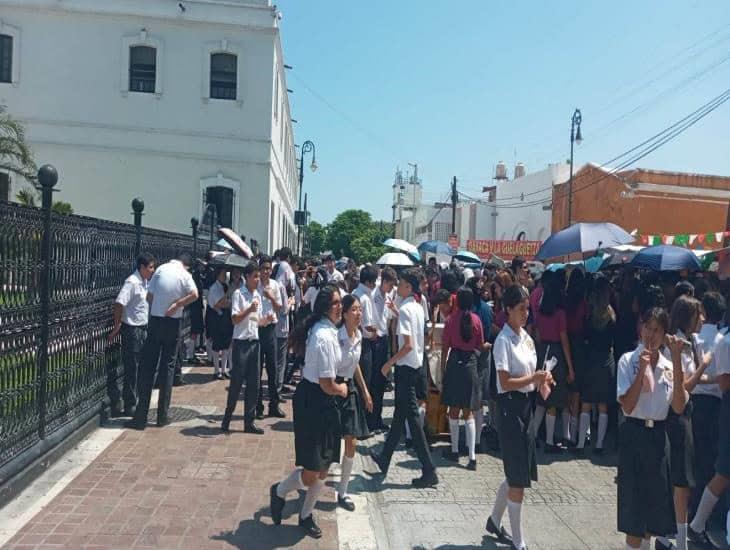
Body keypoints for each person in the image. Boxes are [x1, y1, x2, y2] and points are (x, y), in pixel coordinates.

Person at [269, 285, 348, 538]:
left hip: (324, 402)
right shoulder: (324, 335)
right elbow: (327, 383)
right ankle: (280, 490)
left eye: (340, 302)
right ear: (326, 307)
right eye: (336, 303)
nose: (340, 307)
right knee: (312, 469)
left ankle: (305, 514)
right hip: (314, 401)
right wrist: (342, 389)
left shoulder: (330, 331)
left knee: (324, 467)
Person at [616, 308, 688, 550]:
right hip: (634, 434)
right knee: (634, 516)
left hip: (658, 437)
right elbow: (626, 406)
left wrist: (676, 360)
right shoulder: (628, 360)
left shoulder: (669, 366)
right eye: (647, 327)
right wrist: (642, 372)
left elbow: (678, 406)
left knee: (652, 517)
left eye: (657, 330)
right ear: (640, 328)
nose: (651, 334)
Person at [486, 284, 551, 550]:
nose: (526, 314)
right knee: (517, 476)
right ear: (508, 310)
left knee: (518, 468)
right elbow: (504, 382)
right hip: (509, 407)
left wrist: (543, 379)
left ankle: (494, 519)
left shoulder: (526, 338)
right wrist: (532, 378)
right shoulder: (503, 341)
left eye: (528, 309)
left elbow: (530, 375)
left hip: (526, 405)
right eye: (521, 309)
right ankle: (518, 540)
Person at [372, 268, 438, 488]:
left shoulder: (409, 310)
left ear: (409, 287)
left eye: (400, 284)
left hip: (406, 369)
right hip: (415, 367)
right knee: (401, 415)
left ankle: (428, 469)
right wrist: (396, 311)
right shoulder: (416, 307)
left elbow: (408, 344)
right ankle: (384, 458)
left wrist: (389, 363)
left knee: (412, 420)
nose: (397, 287)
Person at [126, 253, 198, 430]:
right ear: (186, 265)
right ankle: (162, 416)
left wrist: (160, 304)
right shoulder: (185, 274)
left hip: (156, 321)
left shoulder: (159, 270)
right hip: (173, 322)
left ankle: (141, 416)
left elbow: (149, 297)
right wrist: (177, 304)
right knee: (168, 367)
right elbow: (194, 294)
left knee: (148, 367)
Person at [656, 296, 702, 550]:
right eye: (699, 315)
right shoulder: (678, 346)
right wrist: (702, 368)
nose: (703, 319)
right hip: (677, 415)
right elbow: (681, 389)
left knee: (681, 481)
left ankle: (667, 537)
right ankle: (679, 542)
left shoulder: (688, 343)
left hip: (683, 413)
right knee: (681, 482)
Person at [688, 297, 730, 547]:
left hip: (706, 403)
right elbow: (724, 383)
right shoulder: (723, 340)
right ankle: (697, 522)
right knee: (720, 468)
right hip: (717, 405)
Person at [441, 287, 487, 470]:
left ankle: (453, 451)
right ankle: (472, 456)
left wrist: (443, 369)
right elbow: (481, 345)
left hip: (454, 363)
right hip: (471, 364)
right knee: (469, 411)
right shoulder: (476, 320)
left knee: (453, 409)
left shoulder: (451, 320)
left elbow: (445, 347)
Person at [335, 294, 373, 511]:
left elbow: (355, 364)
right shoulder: (336, 336)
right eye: (355, 310)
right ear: (345, 314)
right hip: (332, 388)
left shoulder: (359, 335)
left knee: (352, 442)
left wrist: (365, 390)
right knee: (329, 444)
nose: (359, 314)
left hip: (349, 390)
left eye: (360, 309)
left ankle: (343, 490)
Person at [108, 252, 156, 417]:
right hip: (132, 330)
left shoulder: (144, 282)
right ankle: (130, 403)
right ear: (142, 267)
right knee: (132, 368)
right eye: (150, 267)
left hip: (142, 329)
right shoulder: (132, 282)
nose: (152, 270)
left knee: (141, 367)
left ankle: (136, 400)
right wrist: (117, 324)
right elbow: (120, 302)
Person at [531, 275, 575, 453]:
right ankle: (549, 442)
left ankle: (532, 435)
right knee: (553, 400)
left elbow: (537, 334)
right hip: (556, 354)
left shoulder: (540, 313)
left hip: (542, 352)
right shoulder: (560, 314)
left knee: (542, 399)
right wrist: (570, 367)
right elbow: (564, 339)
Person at [222, 262, 265, 434]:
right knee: (237, 383)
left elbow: (258, 320)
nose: (257, 280)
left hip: (255, 342)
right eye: (254, 276)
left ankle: (249, 421)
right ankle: (227, 418)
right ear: (246, 277)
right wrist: (248, 309)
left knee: (254, 384)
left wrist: (267, 320)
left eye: (258, 277)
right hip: (241, 344)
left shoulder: (258, 295)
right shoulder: (239, 294)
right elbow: (235, 319)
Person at [575, 274, 614, 455]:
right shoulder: (612, 317)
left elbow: (584, 338)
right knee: (603, 405)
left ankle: (581, 444)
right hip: (606, 360)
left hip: (591, 360)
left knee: (586, 403)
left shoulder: (589, 316)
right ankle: (599, 445)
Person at [256, 256, 284, 419]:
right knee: (257, 370)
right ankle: (258, 407)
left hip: (271, 329)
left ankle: (274, 405)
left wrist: (271, 296)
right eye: (264, 268)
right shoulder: (254, 284)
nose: (266, 271)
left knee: (272, 369)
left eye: (268, 269)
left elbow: (279, 308)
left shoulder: (275, 285)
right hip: (258, 329)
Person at [370, 266, 397, 432]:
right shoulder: (373, 295)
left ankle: (378, 419)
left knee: (381, 382)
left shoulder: (387, 296)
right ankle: (372, 419)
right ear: (384, 281)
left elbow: (390, 317)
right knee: (374, 381)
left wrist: (393, 308)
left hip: (384, 339)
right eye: (390, 284)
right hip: (375, 340)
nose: (391, 288)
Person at [352, 265, 378, 429]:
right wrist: (374, 333)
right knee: (364, 382)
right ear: (369, 281)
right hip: (365, 343)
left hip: (358, 340)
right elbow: (366, 325)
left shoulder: (356, 293)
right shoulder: (364, 297)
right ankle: (362, 424)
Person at [564, 268, 588, 446]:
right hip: (580, 344)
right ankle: (574, 433)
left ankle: (566, 432)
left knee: (567, 388)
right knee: (577, 391)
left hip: (565, 341)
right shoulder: (584, 303)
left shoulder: (565, 301)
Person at [207, 268, 233, 380]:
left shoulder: (224, 286)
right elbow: (219, 304)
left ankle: (224, 370)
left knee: (226, 345)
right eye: (223, 274)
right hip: (217, 319)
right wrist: (227, 299)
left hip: (225, 319)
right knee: (217, 345)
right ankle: (216, 370)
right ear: (218, 275)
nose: (225, 276)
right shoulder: (214, 288)